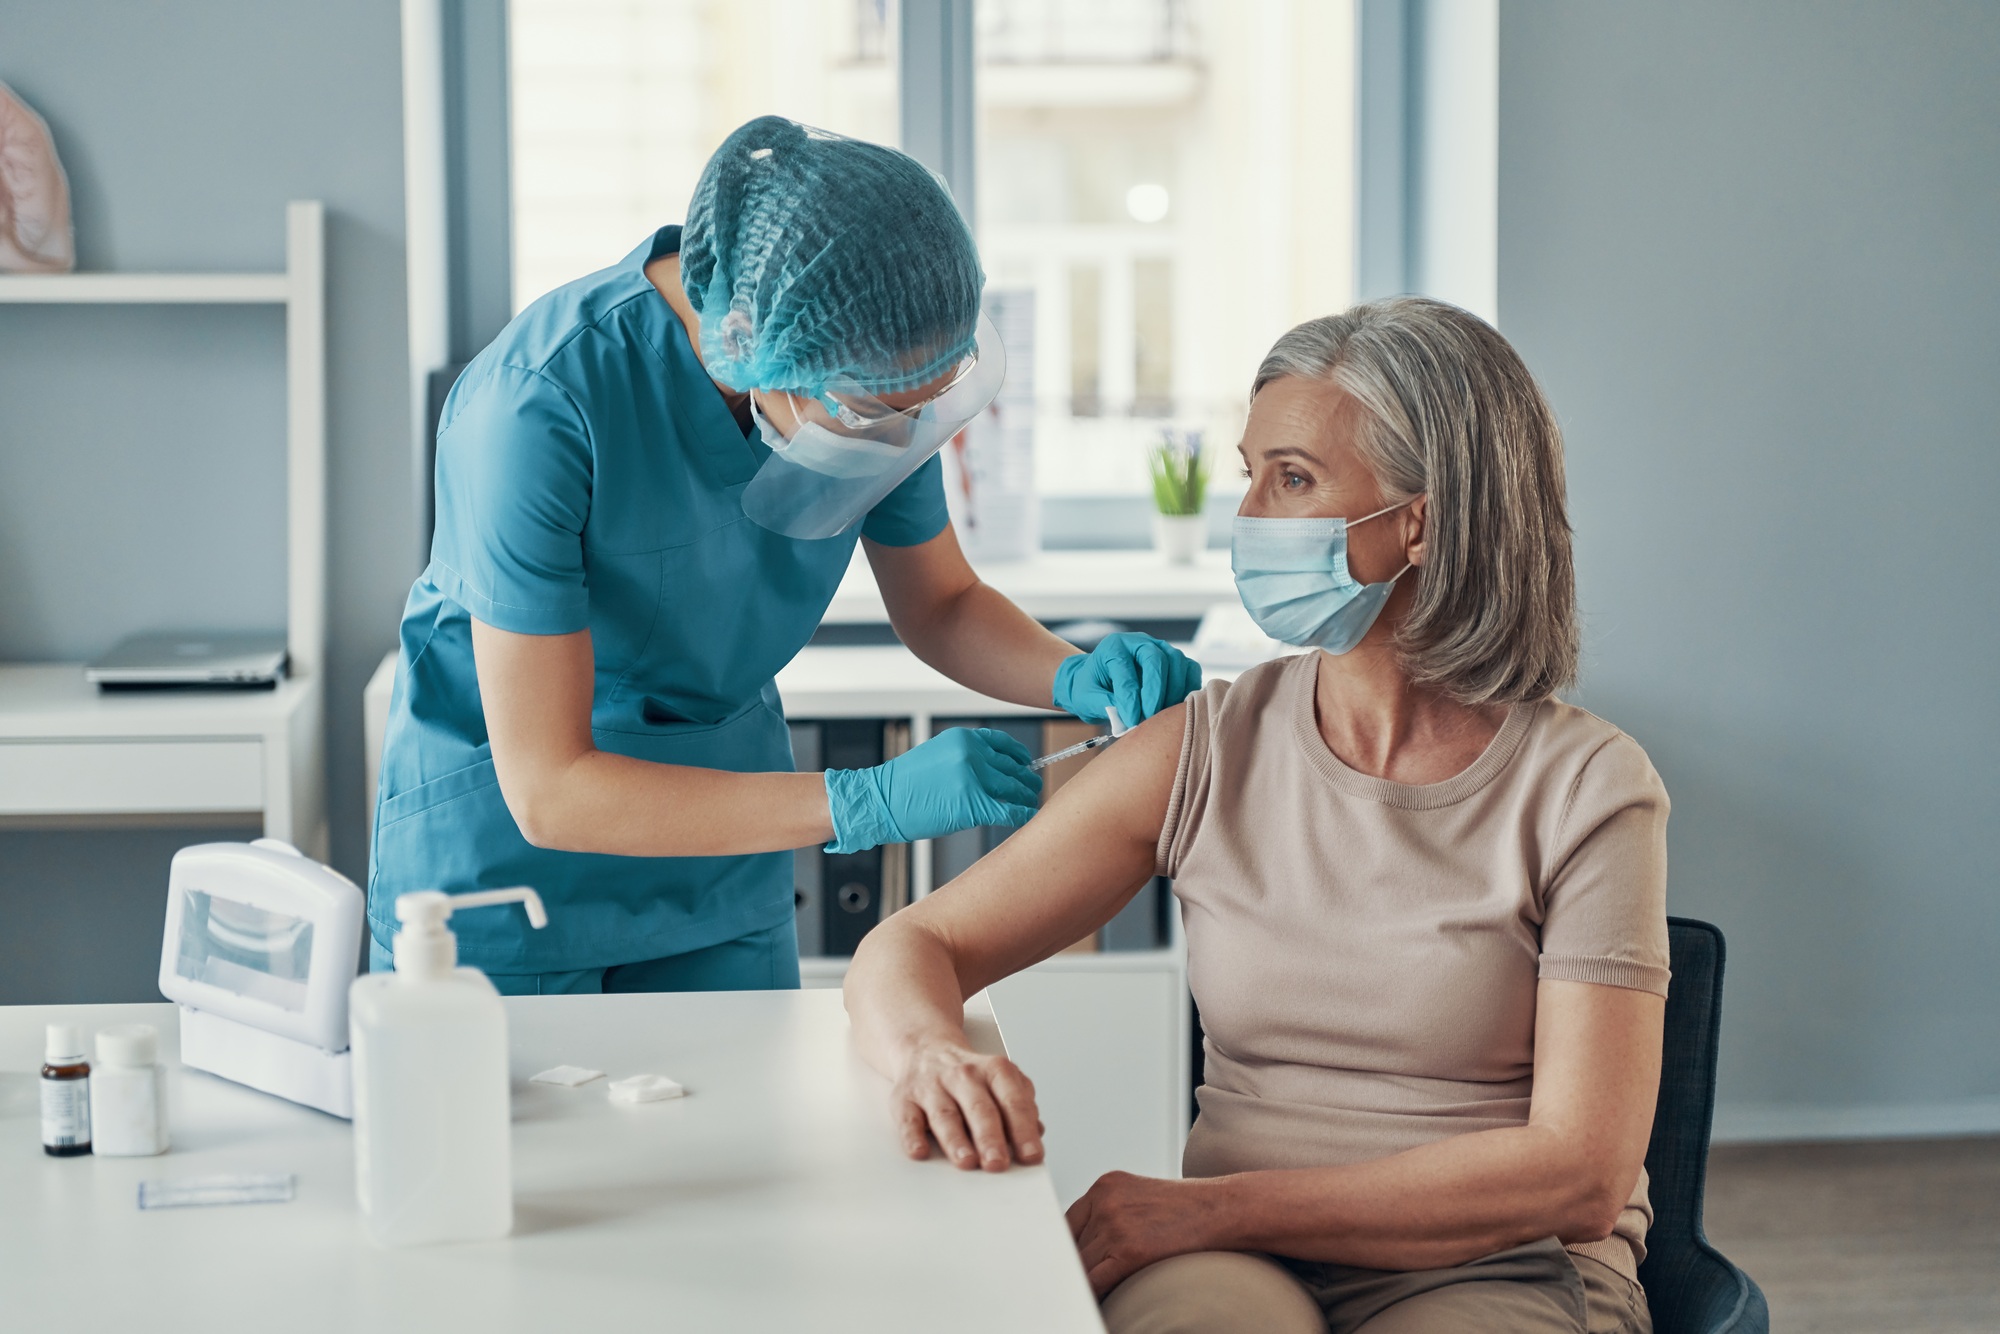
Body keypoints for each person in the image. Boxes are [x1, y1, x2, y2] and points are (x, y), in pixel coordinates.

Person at [845, 297, 1668, 1333]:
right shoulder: (1206, 746)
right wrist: (930, 1051)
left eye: (1291, 478)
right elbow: (914, 941)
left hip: (1491, 1263)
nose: (1248, 517)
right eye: (1249, 474)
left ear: (1420, 516)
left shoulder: (1589, 785)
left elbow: (1578, 1174)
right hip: (1233, 1260)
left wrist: (1205, 1205)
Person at [369, 116, 1200, 994]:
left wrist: (1072, 678)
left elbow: (942, 603)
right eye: (883, 412)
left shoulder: (872, 382)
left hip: (723, 861)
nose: (908, 434)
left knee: (748, 1129)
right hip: (509, 886)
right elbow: (552, 787)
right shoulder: (534, 410)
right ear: (748, 340)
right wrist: (863, 802)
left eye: (923, 404)